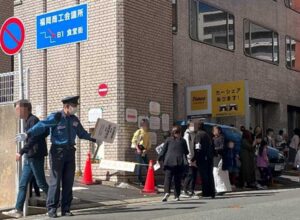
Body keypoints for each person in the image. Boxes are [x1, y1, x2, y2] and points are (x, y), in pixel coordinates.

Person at [15, 96, 101, 218]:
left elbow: (81, 133)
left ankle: (66, 209)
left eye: (76, 106)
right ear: (66, 106)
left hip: (70, 152)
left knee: (68, 181)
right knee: (55, 182)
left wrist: (94, 139)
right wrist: (27, 133)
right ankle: (52, 209)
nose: (75, 108)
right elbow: (42, 125)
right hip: (57, 153)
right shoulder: (56, 117)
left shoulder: (74, 120)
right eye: (73, 106)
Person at [3, 100, 49, 219]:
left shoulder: (33, 120)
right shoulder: (27, 121)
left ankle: (53, 204)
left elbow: (33, 139)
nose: (16, 111)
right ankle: (18, 210)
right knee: (23, 184)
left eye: (18, 109)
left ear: (25, 109)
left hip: (35, 156)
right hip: (30, 156)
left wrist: (21, 152)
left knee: (41, 183)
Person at [158, 125, 188, 202]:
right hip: (179, 162)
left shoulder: (168, 140)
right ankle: (177, 195)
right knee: (177, 179)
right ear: (181, 132)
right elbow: (186, 152)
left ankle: (166, 192)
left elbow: (163, 151)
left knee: (168, 178)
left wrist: (159, 159)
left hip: (169, 162)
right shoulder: (183, 141)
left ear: (172, 133)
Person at [194, 121, 215, 198]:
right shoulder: (207, 134)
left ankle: (206, 192)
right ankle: (212, 192)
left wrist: (195, 157)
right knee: (210, 175)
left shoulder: (199, 135)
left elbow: (198, 147)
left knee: (204, 175)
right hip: (209, 157)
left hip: (202, 158)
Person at [212, 126, 232, 194]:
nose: (214, 131)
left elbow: (222, 147)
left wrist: (214, 149)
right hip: (216, 158)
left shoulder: (222, 137)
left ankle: (220, 189)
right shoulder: (214, 138)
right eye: (213, 130)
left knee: (217, 173)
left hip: (220, 157)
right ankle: (224, 188)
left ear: (219, 131)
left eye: (215, 130)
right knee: (220, 173)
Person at [131, 119, 151, 185]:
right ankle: (139, 179)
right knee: (139, 165)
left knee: (147, 164)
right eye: (146, 123)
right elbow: (134, 141)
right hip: (139, 150)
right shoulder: (138, 131)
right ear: (142, 124)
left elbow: (148, 144)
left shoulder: (147, 133)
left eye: (147, 123)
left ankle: (150, 179)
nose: (147, 125)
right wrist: (138, 149)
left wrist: (146, 150)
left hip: (144, 150)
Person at [182, 121, 197, 198]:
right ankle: (185, 189)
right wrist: (190, 157)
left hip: (194, 157)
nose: (194, 127)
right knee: (190, 174)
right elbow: (188, 147)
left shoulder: (194, 134)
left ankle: (191, 190)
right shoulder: (187, 135)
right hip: (189, 157)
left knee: (194, 174)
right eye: (192, 125)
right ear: (188, 126)